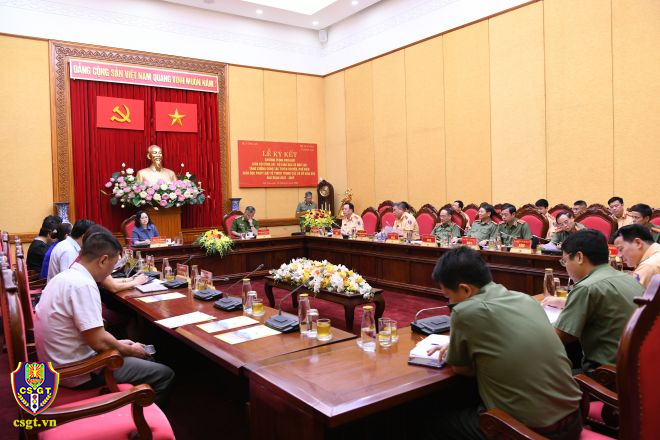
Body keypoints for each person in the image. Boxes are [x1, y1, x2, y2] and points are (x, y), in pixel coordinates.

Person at [425, 247, 582, 440]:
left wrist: (460, 350)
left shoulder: (465, 311)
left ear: (465, 289)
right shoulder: (525, 299)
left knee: (431, 423)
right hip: (574, 419)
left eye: (448, 297)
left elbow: (462, 369)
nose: (449, 302)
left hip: (535, 432)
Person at [34, 231, 174, 407]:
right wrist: (130, 350)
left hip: (57, 362)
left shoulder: (64, 277)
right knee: (164, 374)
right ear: (103, 260)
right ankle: (138, 420)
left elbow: (91, 335)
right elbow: (99, 342)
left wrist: (120, 343)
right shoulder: (83, 285)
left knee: (140, 355)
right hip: (76, 373)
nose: (111, 272)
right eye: (113, 265)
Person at [550, 229, 643, 373]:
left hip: (607, 374)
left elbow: (560, 336)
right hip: (639, 368)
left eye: (565, 261)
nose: (566, 267)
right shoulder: (629, 279)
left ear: (579, 257)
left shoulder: (586, 287)